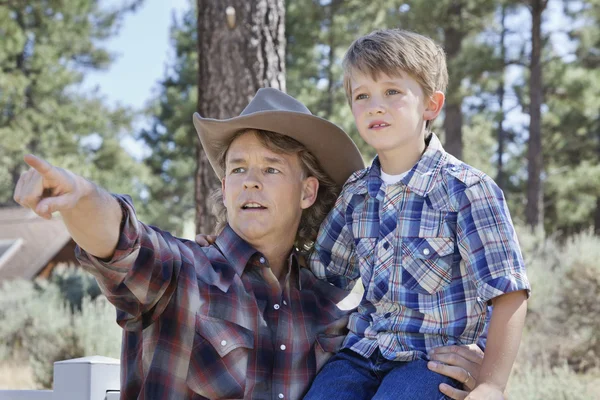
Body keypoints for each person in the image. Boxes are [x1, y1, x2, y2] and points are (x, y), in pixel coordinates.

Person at [14, 88, 485, 400]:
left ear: (307, 191)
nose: (250, 183)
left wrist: (467, 368)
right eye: (238, 169)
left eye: (271, 168)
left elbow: (406, 350)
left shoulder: (333, 310)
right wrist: (80, 198)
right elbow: (121, 243)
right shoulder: (182, 273)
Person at [302, 29, 531, 400]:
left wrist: (491, 383)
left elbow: (508, 291)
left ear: (431, 105)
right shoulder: (356, 194)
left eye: (392, 91)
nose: (375, 105)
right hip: (362, 353)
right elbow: (321, 276)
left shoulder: (465, 189)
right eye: (362, 96)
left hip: (431, 359)